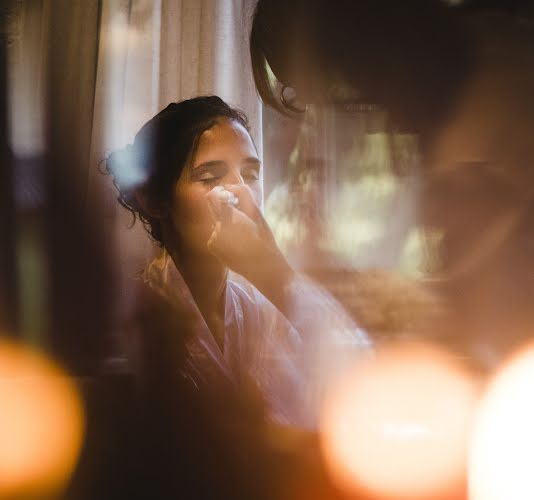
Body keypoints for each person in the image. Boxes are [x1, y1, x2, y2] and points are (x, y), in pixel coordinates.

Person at [249, 0, 534, 434]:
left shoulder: (471, 142)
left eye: (329, 84)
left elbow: (476, 334)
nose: (344, 103)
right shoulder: (492, 47)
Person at [103, 95, 370, 432]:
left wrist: (273, 272)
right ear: (155, 199)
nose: (239, 193)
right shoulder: (138, 321)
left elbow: (360, 386)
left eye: (250, 174)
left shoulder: (257, 309)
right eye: (210, 177)